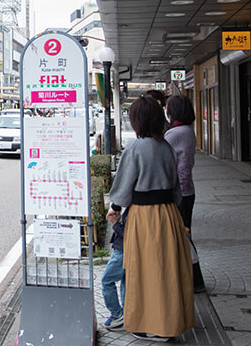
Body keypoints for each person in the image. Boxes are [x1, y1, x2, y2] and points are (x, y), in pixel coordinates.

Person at [108, 96, 194, 341]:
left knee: (144, 270)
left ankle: (151, 324)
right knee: (167, 269)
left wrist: (114, 207)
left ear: (138, 121)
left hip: (144, 216)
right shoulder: (166, 146)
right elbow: (177, 189)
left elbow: (124, 187)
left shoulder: (136, 148)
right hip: (168, 214)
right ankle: (171, 320)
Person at [165, 95, 206, 293]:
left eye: (168, 109)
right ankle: (192, 280)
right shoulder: (188, 130)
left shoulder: (175, 134)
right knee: (185, 234)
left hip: (179, 192)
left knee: (182, 237)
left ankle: (195, 281)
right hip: (187, 190)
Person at [101, 204, 128, 330]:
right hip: (125, 250)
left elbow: (128, 233)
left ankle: (117, 314)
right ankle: (126, 314)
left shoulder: (136, 203)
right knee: (125, 282)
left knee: (107, 280)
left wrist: (115, 222)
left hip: (122, 251)